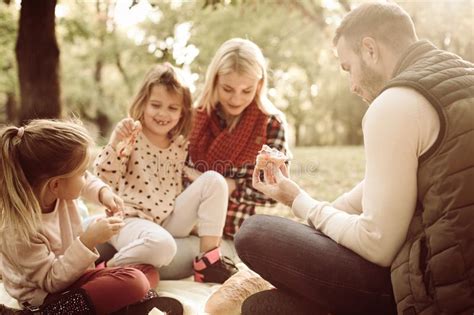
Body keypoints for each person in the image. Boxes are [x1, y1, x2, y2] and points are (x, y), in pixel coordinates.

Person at [235, 2, 474, 315]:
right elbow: (383, 185)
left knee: (256, 234)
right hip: (458, 273)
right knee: (265, 306)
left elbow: (377, 243)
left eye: (348, 67)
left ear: (370, 49)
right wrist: (295, 200)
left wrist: (301, 201)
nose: (352, 85)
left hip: (441, 293)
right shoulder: (459, 79)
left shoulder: (395, 103)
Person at [0, 119, 172, 315]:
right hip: (47, 296)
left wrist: (104, 194)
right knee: (136, 281)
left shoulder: (57, 191)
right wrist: (89, 240)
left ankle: (113, 305)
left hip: (75, 279)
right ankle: (50, 313)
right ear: (55, 185)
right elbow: (51, 281)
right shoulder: (20, 230)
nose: (86, 176)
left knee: (148, 272)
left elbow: (88, 182)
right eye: (82, 173)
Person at [94, 63, 237, 284]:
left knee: (214, 181)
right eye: (156, 105)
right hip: (131, 220)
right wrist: (114, 144)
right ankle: (106, 272)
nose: (163, 113)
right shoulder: (132, 137)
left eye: (172, 108)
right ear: (143, 104)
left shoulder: (179, 144)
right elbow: (103, 179)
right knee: (161, 246)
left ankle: (208, 263)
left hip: (168, 219)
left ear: (182, 113)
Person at [187, 37, 290, 239]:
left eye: (246, 91)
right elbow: (173, 173)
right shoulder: (193, 118)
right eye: (228, 89)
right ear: (214, 80)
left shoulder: (271, 125)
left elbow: (273, 191)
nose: (236, 99)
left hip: (235, 235)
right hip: (186, 227)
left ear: (259, 86)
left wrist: (219, 184)